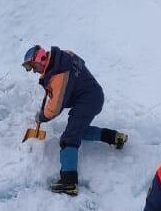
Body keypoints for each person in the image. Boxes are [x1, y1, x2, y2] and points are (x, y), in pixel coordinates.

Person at [21, 45, 128, 196]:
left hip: (87, 100)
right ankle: (114, 137)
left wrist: (42, 116)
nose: (33, 71)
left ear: (42, 59)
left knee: (69, 138)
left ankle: (69, 182)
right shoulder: (63, 57)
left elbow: (55, 108)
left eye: (33, 66)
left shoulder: (58, 75)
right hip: (91, 96)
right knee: (78, 132)